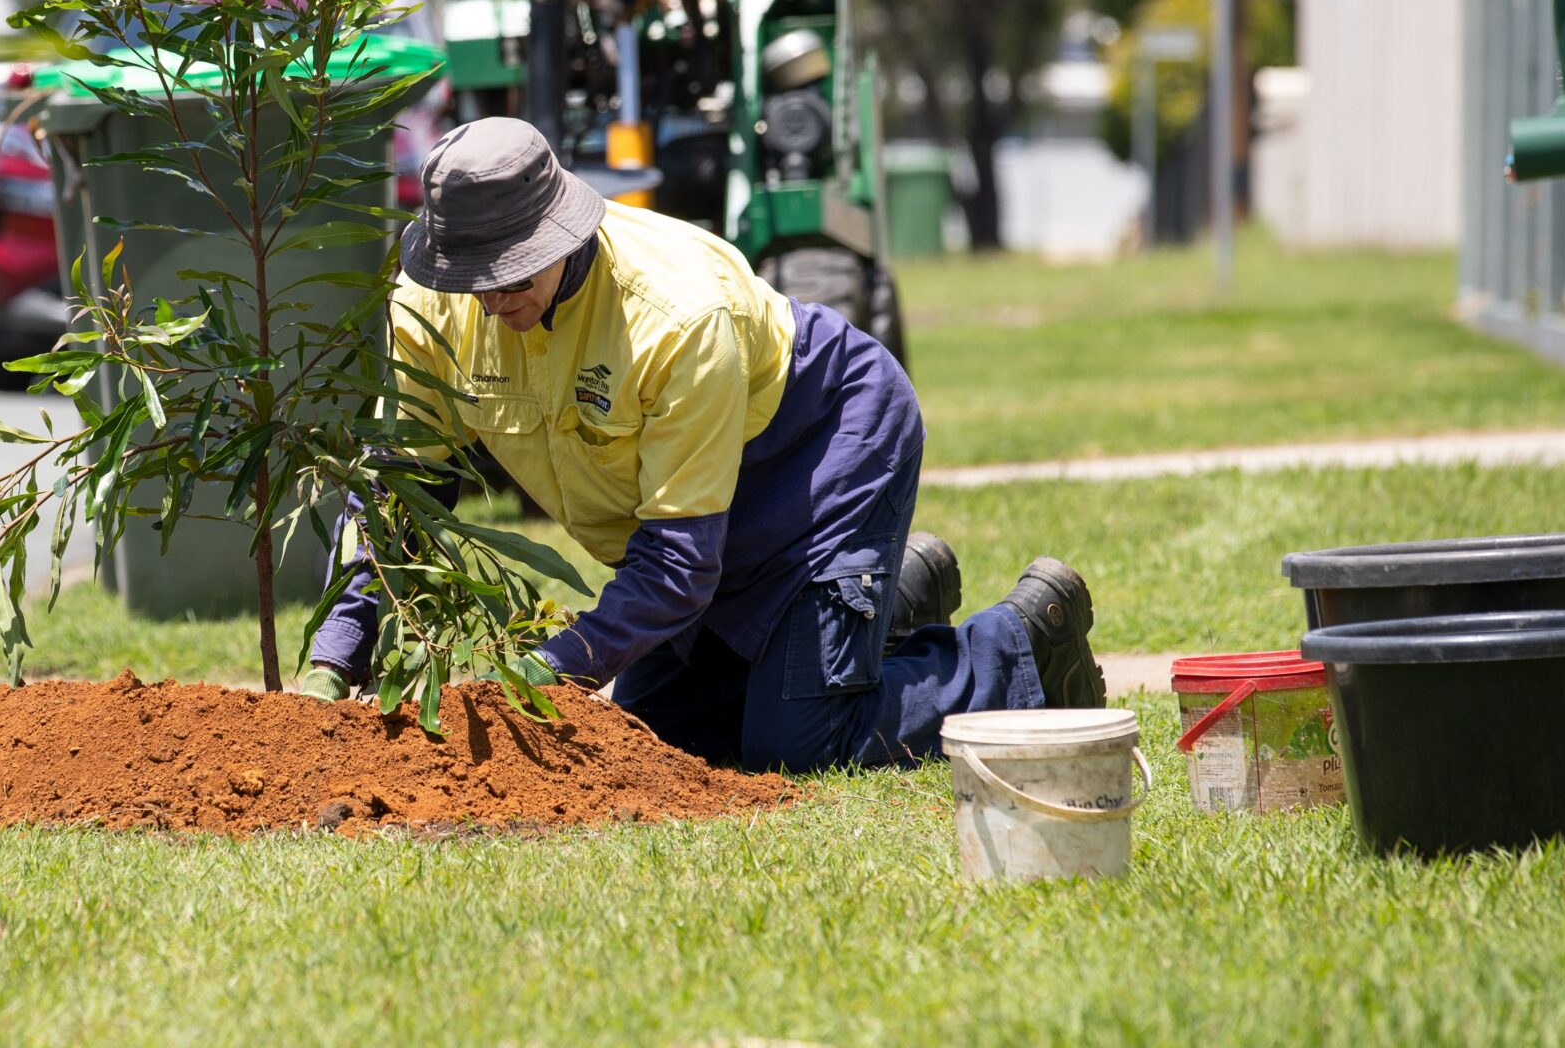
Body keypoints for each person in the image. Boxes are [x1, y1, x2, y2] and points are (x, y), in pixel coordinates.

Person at [300, 118, 1103, 772]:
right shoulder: (430, 305)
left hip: (818, 452)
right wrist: (334, 657)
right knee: (664, 737)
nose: (492, 297)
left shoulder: (676, 317)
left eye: (513, 273)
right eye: (472, 277)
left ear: (559, 233)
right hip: (692, 509)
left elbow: (680, 566)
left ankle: (1022, 644)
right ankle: (883, 610)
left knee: (795, 745)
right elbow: (402, 490)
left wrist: (546, 669)